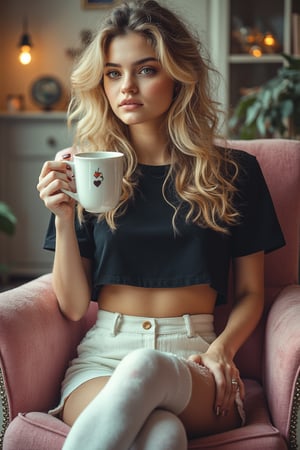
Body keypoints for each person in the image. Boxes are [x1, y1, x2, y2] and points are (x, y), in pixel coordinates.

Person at [37, 1, 285, 449]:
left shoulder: (235, 172)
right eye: (112, 73)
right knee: (163, 436)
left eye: (146, 70)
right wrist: (63, 215)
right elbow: (74, 307)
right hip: (104, 357)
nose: (126, 87)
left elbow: (251, 293)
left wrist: (220, 351)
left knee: (147, 369)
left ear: (178, 75)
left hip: (194, 356)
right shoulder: (85, 173)